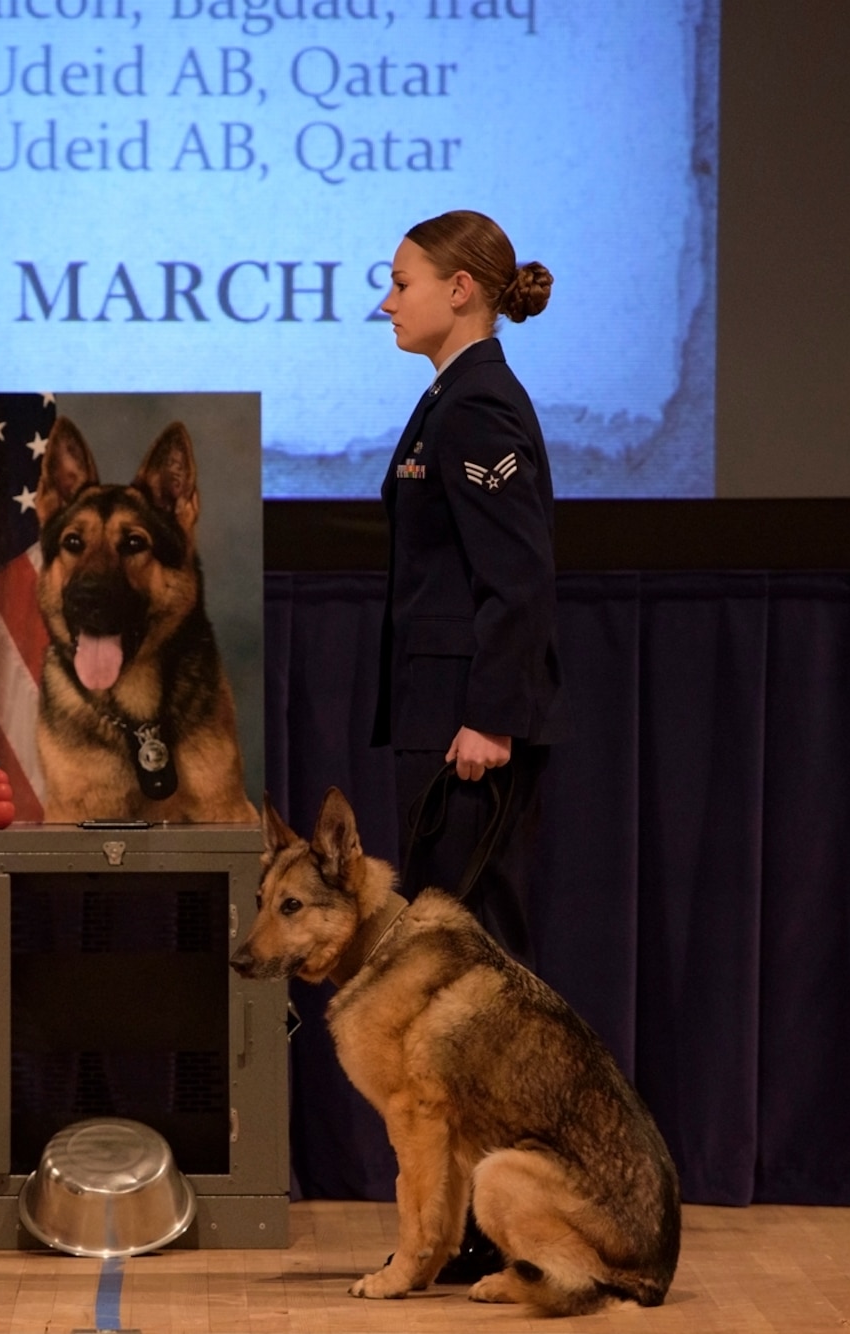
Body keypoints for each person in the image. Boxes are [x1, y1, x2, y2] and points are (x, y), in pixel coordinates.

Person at [369, 209, 566, 1284]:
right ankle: (467, 1220)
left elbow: (516, 578)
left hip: (468, 733)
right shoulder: (450, 396)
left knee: (475, 984)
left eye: (398, 281)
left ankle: (509, 1223)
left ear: (460, 288)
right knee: (449, 981)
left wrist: (487, 716)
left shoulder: (478, 400)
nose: (384, 299)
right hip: (441, 722)